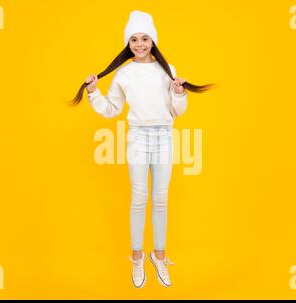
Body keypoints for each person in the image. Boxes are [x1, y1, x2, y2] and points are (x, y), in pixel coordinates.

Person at [70, 10, 214, 288]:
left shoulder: (167, 70)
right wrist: (93, 93)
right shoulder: (123, 74)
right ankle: (137, 258)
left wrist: (179, 93)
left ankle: (159, 256)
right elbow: (111, 110)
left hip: (163, 138)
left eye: (144, 38)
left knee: (160, 198)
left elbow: (178, 111)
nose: (139, 44)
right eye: (134, 39)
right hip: (137, 138)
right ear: (128, 43)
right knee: (139, 198)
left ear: (153, 41)